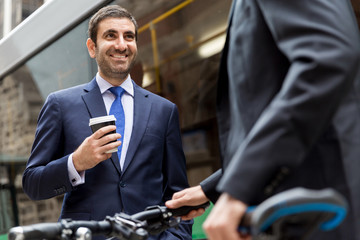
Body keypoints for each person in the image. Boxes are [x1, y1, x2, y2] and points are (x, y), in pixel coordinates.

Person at [166, 0, 360, 239]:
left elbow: (327, 58)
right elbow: (263, 111)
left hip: (321, 212)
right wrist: (214, 187)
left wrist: (238, 189)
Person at [22, 5, 192, 240]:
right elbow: (32, 183)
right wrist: (76, 162)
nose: (121, 45)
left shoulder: (164, 110)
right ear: (92, 47)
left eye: (129, 37)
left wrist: (177, 238)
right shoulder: (60, 104)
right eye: (110, 35)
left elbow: (178, 192)